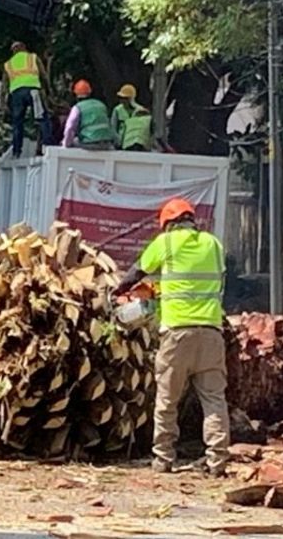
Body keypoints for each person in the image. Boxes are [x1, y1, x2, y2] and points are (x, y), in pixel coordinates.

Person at [113, 198, 229, 476]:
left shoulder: (165, 243)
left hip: (177, 333)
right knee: (214, 399)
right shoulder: (213, 244)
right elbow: (208, 281)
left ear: (167, 224)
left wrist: (118, 290)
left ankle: (163, 459)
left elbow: (137, 271)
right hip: (211, 332)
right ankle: (218, 462)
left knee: (167, 399)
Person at [1, 41, 52, 158]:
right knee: (42, 117)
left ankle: (17, 151)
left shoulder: (8, 64)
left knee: (17, 123)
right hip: (33, 91)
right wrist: (48, 91)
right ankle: (48, 145)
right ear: (24, 47)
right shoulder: (32, 58)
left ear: (13, 51)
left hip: (17, 94)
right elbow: (44, 76)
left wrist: (2, 102)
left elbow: (4, 85)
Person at [63, 80, 115, 150]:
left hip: (90, 143)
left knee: (74, 141)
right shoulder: (101, 105)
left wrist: (66, 144)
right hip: (107, 143)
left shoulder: (78, 108)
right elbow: (110, 126)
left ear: (76, 96)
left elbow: (70, 128)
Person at [111, 84, 153, 151]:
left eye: (125, 98)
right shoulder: (117, 110)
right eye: (121, 98)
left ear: (131, 99)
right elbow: (113, 127)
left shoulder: (141, 110)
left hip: (136, 144)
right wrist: (117, 141)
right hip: (121, 144)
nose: (122, 100)